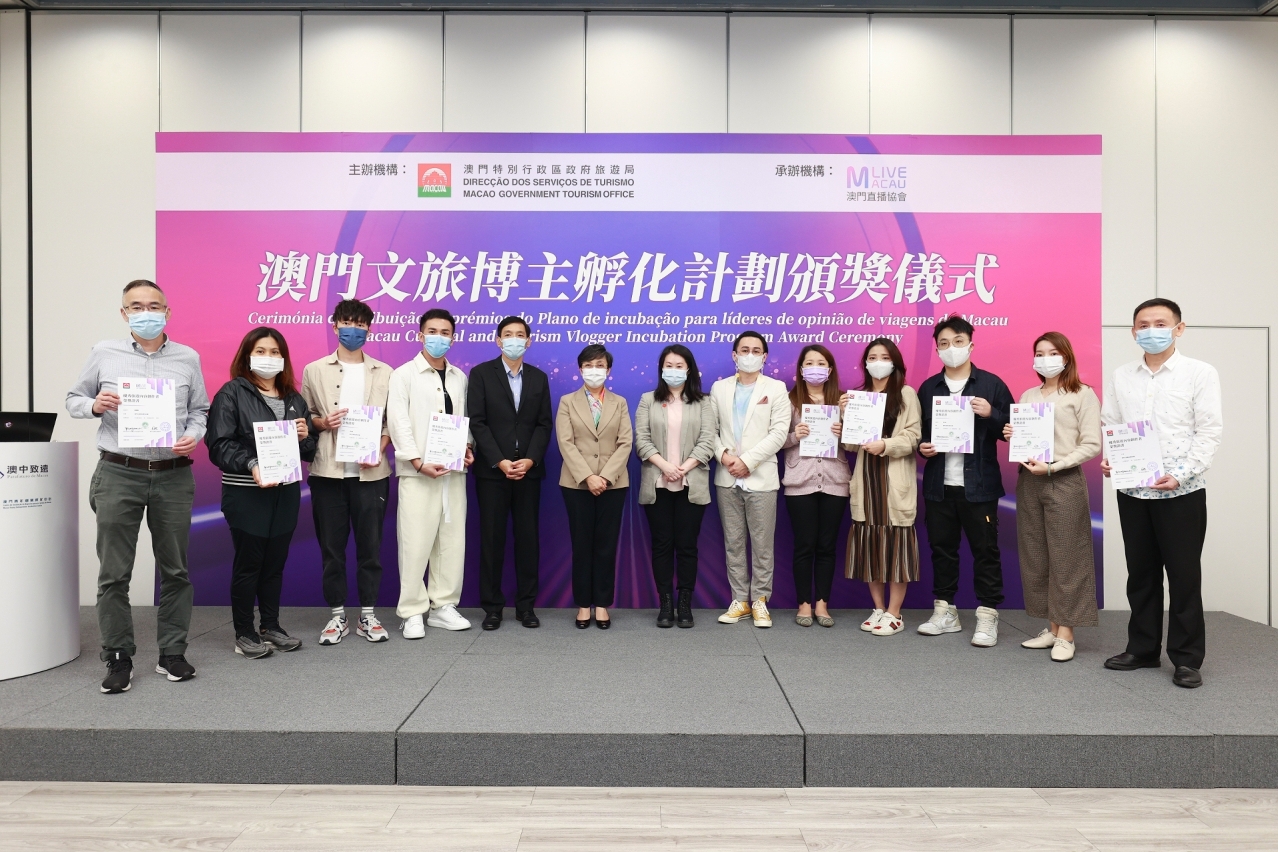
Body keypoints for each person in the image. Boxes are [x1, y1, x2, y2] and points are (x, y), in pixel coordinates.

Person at [66, 279, 209, 694]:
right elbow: (74, 399)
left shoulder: (187, 357)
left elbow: (199, 409)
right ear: (124, 312)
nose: (146, 313)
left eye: (154, 306)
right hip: (119, 472)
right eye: (136, 306)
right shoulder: (104, 352)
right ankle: (117, 655)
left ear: (167, 311)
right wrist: (94, 405)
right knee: (114, 573)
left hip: (173, 473)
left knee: (176, 570)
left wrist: (193, 434)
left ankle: (172, 652)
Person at [1101, 298, 1222, 689]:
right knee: (1141, 574)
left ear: (1178, 328)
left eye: (1160, 323)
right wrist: (1112, 459)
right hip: (1133, 490)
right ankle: (1143, 649)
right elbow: (1112, 423)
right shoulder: (1122, 375)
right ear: (1133, 331)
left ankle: (1186, 659)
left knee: (1184, 576)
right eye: (1143, 324)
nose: (1151, 330)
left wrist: (1180, 475)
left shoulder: (1199, 373)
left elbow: (1209, 431)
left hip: (1182, 492)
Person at [206, 327, 317, 659]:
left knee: (274, 564)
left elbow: (309, 450)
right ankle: (244, 632)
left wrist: (304, 437)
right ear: (247, 355)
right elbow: (218, 444)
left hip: (285, 492)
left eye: (274, 352)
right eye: (261, 351)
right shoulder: (232, 393)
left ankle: (271, 626)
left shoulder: (293, 398)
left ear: (283, 358)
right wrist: (252, 463)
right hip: (247, 492)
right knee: (249, 563)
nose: (268, 358)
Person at [300, 298, 393, 646]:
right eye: (347, 322)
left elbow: (392, 422)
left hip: (371, 474)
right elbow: (305, 417)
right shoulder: (314, 370)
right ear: (335, 325)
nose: (354, 329)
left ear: (369, 329)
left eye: (360, 324)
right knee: (332, 549)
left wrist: (378, 449)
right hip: (328, 473)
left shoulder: (385, 372)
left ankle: (368, 615)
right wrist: (322, 422)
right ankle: (337, 616)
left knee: (371, 548)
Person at [1004, 332, 1102, 663]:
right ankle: (1052, 627)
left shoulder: (1082, 394)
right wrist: (1013, 435)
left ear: (1066, 357)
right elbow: (1026, 439)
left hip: (1063, 479)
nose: (1045, 359)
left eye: (1052, 352)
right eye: (1039, 353)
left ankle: (1067, 633)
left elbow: (1091, 444)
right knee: (1036, 554)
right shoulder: (1028, 395)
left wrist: (1054, 465)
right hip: (1029, 480)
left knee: (1067, 556)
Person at [917, 315, 1014, 647]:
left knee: (985, 551)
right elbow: (920, 434)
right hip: (939, 485)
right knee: (942, 550)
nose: (951, 348)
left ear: (970, 345)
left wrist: (992, 414)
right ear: (937, 349)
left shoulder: (991, 385)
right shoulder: (928, 388)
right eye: (944, 343)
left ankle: (987, 615)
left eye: (958, 342)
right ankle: (945, 612)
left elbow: (1015, 431)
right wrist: (923, 447)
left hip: (980, 486)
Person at [387, 309, 475, 638]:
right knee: (415, 541)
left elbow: (463, 418)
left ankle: (443, 607)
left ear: (453, 338)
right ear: (420, 335)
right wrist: (416, 461)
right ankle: (412, 611)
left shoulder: (459, 377)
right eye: (433, 331)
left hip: (452, 471)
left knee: (451, 540)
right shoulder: (404, 375)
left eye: (445, 332)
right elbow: (398, 421)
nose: (439, 337)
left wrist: (468, 447)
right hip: (418, 473)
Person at [467, 315, 554, 630]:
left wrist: (530, 459)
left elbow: (544, 424)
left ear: (528, 341)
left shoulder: (538, 378)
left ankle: (526, 607)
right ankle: (492, 608)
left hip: (528, 471)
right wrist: (499, 461)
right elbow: (477, 421)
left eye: (520, 335)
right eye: (508, 334)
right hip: (493, 472)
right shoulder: (481, 374)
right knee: (492, 540)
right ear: (498, 340)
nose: (514, 339)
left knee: (528, 540)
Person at [710, 331, 790, 628]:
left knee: (762, 544)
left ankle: (760, 601)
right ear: (734, 355)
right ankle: (740, 600)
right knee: (733, 543)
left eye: (756, 350)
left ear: (765, 356)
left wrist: (748, 461)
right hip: (727, 476)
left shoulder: (776, 388)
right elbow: (710, 430)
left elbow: (779, 433)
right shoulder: (719, 388)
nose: (750, 355)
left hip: (761, 477)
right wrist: (724, 457)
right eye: (744, 350)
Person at [634, 344, 717, 628]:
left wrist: (684, 467)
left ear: (689, 369)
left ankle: (685, 603)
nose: (673, 370)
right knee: (661, 544)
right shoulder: (648, 400)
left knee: (687, 546)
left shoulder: (703, 402)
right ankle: (665, 602)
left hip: (691, 483)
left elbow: (708, 440)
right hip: (657, 482)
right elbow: (642, 440)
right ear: (661, 369)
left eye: (679, 366)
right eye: (668, 366)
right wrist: (666, 467)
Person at [844, 338, 922, 637]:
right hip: (867, 483)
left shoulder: (905, 394)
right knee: (870, 548)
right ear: (865, 363)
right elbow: (852, 445)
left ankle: (894, 613)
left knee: (896, 549)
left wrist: (885, 445)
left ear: (895, 362)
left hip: (893, 483)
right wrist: (844, 419)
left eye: (884, 357)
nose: (878, 362)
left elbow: (913, 437)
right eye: (872, 357)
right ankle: (877, 608)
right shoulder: (859, 397)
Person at [556, 345, 633, 629]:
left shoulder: (620, 403)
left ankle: (601, 605)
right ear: (580, 369)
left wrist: (606, 477)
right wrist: (588, 476)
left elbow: (625, 442)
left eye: (599, 365)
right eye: (588, 365)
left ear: (608, 370)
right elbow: (566, 442)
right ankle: (582, 605)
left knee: (605, 546)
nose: (594, 370)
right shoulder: (567, 402)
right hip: (576, 484)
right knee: (581, 545)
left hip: (613, 485)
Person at [781, 344, 850, 628]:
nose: (815, 368)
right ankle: (804, 604)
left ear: (830, 369)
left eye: (821, 363)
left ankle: (822, 604)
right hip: (800, 482)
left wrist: (844, 430)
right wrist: (794, 436)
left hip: (835, 481)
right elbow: (775, 440)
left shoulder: (844, 401)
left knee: (827, 546)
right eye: (809, 363)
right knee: (804, 545)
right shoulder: (788, 400)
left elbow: (858, 442)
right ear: (801, 369)